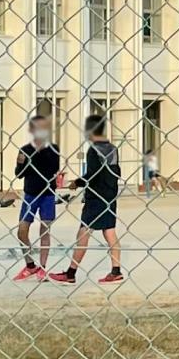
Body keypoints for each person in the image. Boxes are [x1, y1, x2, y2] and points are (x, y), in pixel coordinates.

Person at [51, 115, 123, 285]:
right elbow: (114, 172)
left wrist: (77, 182)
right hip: (110, 195)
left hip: (96, 197)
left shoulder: (94, 150)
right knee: (110, 231)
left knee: (83, 232)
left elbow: (93, 175)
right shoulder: (112, 148)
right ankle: (116, 271)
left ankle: (71, 273)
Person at [14, 115, 63, 281]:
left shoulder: (53, 149)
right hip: (31, 193)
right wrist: (21, 163)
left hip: (48, 194)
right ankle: (30, 265)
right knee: (22, 230)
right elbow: (19, 174)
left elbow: (52, 167)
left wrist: (36, 155)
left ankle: (43, 267)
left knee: (45, 229)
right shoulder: (25, 149)